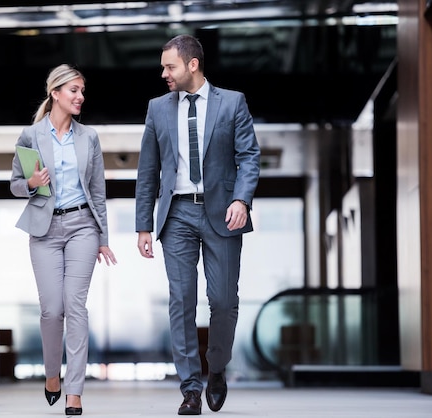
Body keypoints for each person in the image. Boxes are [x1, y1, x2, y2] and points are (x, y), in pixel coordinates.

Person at [135, 35, 260, 415]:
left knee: (223, 301)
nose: (163, 73)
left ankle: (217, 368)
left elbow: (249, 157)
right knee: (181, 301)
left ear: (192, 65)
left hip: (223, 212)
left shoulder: (232, 102)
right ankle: (190, 387)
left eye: (169, 66)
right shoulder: (157, 109)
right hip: (176, 215)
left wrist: (241, 199)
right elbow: (148, 171)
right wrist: (143, 224)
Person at [10, 64, 117, 416]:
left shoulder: (89, 138)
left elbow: (98, 192)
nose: (80, 97)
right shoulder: (30, 136)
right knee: (51, 310)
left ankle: (74, 391)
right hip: (44, 230)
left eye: (82, 91)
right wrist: (30, 182)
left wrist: (102, 236)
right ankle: (52, 375)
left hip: (83, 226)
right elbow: (14, 184)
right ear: (55, 93)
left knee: (76, 306)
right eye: (74, 90)